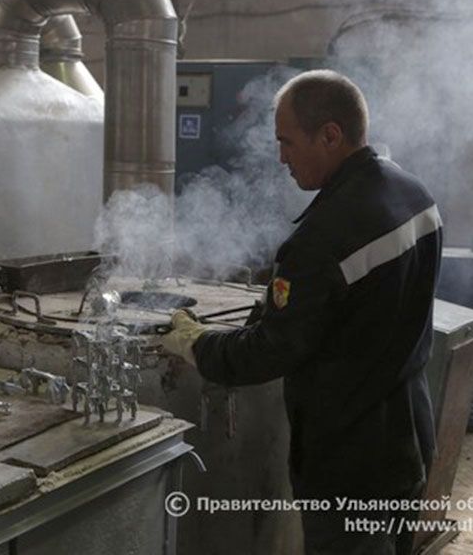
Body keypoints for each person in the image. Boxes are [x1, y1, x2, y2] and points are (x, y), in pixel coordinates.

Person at [162, 70, 442, 555]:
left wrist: (195, 342)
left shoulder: (321, 239)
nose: (281, 158)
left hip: (348, 462)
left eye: (287, 142)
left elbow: (269, 352)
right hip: (408, 435)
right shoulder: (414, 195)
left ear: (330, 135)